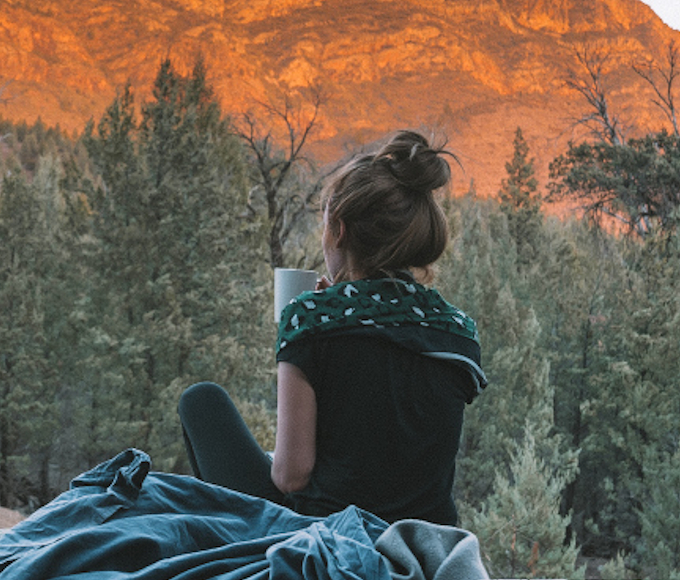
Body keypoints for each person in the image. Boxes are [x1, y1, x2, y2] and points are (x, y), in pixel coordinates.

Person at [180, 130, 483, 526]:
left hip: (327, 534)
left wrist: (316, 314)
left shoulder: (310, 319)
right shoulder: (457, 331)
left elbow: (291, 475)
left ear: (339, 229)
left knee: (200, 401)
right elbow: (389, 421)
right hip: (426, 539)